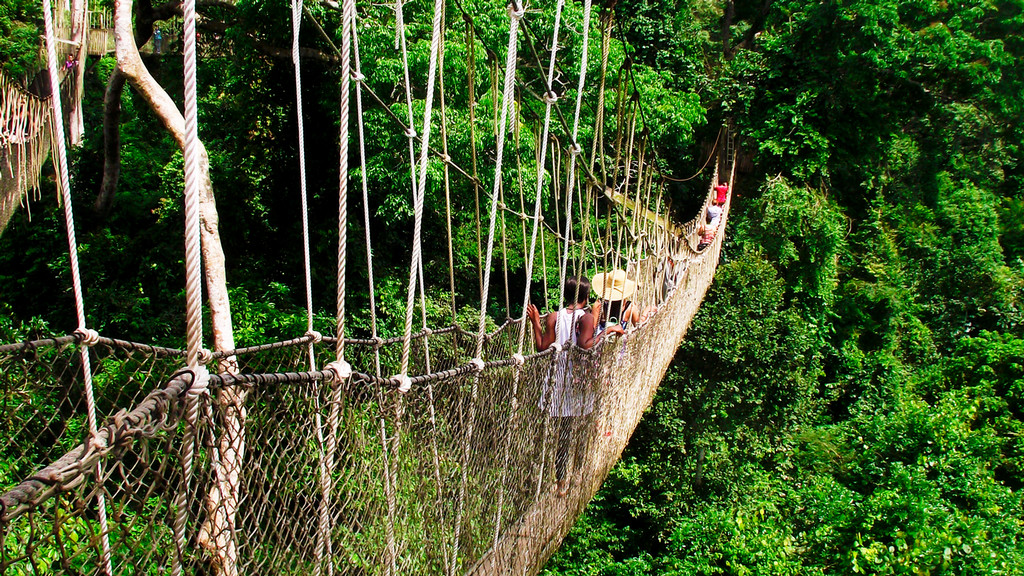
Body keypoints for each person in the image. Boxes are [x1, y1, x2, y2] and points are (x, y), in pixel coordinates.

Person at [527, 276, 597, 497]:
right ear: (585, 298)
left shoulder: (555, 317)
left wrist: (536, 322)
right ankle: (571, 476)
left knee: (557, 433)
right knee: (574, 432)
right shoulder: (585, 318)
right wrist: (607, 331)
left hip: (556, 379)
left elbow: (541, 347)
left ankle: (555, 480)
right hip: (577, 381)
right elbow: (586, 346)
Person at [591, 269, 640, 335]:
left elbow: (592, 329)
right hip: (613, 344)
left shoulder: (599, 305)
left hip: (600, 341)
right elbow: (639, 328)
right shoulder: (630, 307)